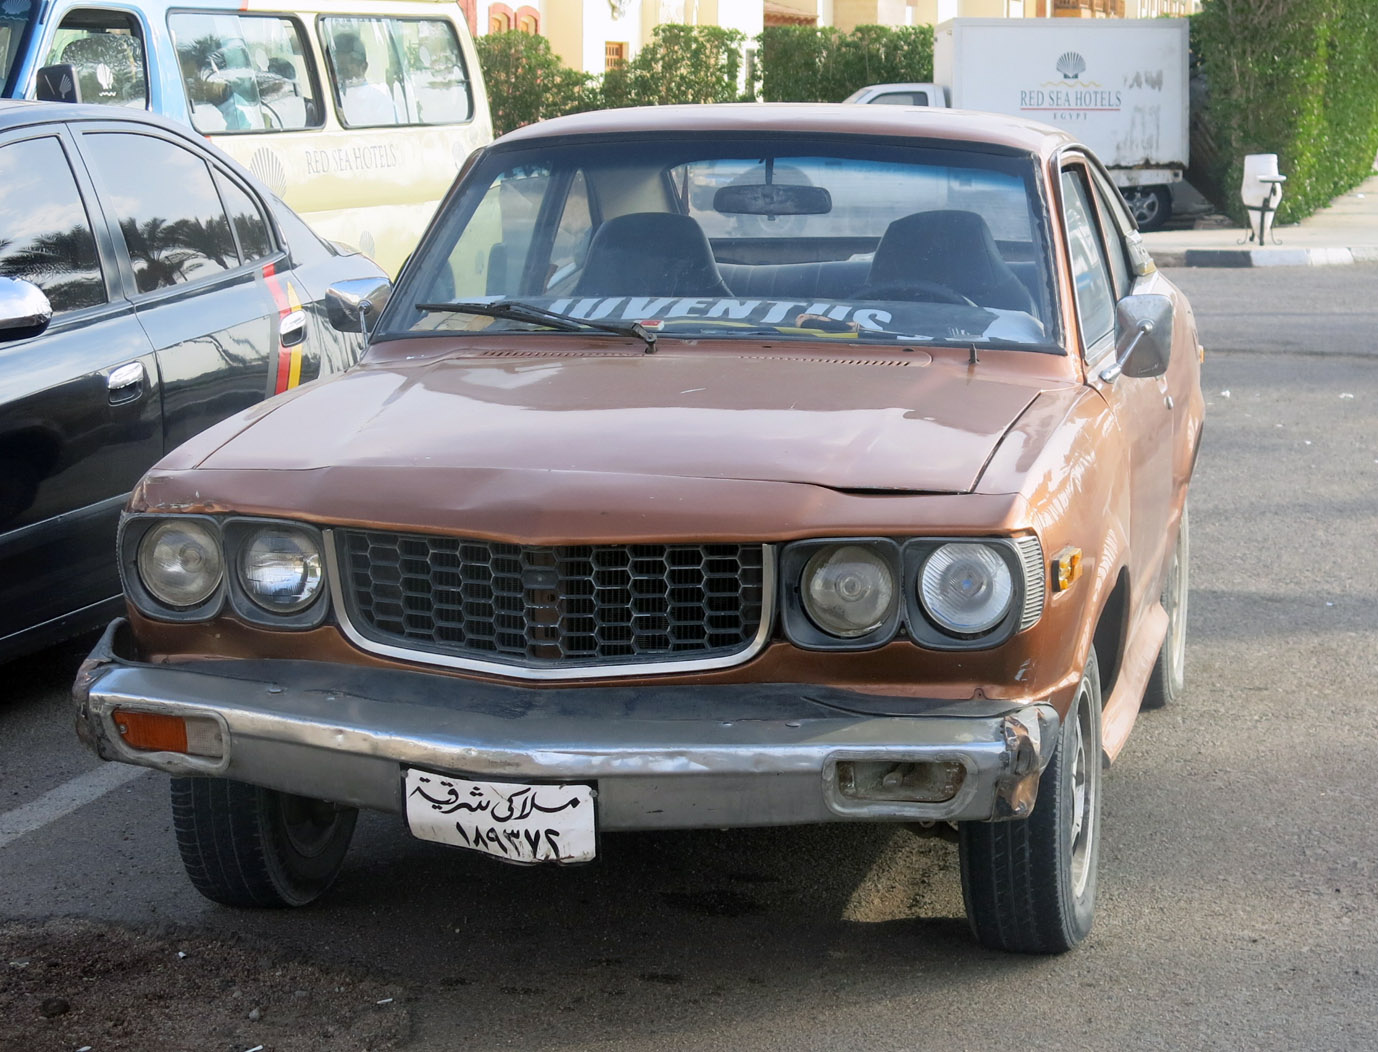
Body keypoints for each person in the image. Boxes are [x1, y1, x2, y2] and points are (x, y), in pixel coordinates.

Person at [331, 31, 397, 127]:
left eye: (346, 71)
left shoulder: (378, 100)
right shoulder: (328, 99)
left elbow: (384, 137)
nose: (340, 78)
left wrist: (344, 122)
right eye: (338, 72)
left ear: (364, 67)